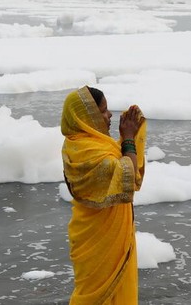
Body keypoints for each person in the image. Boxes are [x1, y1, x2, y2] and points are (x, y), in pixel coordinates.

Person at [61, 85, 147, 304]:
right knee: (94, 294)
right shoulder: (86, 151)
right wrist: (128, 138)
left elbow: (118, 167)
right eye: (103, 110)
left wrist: (126, 139)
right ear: (86, 117)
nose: (109, 115)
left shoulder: (85, 143)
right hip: (97, 236)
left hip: (102, 231)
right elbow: (125, 175)